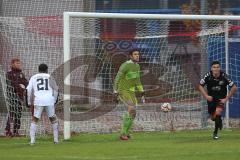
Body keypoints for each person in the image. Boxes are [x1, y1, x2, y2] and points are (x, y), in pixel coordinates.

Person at [198, 61, 237, 139]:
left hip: (220, 99)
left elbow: (234, 87)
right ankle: (219, 121)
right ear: (211, 69)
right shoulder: (208, 76)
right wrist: (206, 96)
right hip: (211, 99)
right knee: (213, 117)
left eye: (217, 67)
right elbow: (200, 86)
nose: (216, 69)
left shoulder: (224, 76)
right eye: (214, 67)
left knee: (218, 112)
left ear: (220, 68)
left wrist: (226, 98)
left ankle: (215, 133)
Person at [114, 49, 145, 140]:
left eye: (138, 54)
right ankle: (123, 134)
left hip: (131, 91)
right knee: (131, 107)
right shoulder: (125, 65)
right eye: (135, 54)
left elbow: (137, 80)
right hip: (123, 90)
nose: (137, 56)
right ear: (130, 56)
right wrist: (115, 91)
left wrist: (142, 91)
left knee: (133, 113)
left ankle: (126, 133)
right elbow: (117, 78)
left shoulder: (137, 66)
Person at [27, 64, 59, 145]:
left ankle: (32, 141)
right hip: (49, 100)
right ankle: (56, 140)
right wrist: (54, 100)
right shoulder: (50, 77)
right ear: (47, 69)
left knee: (35, 119)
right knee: (53, 118)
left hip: (38, 100)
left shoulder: (33, 77)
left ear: (38, 69)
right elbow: (56, 90)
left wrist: (28, 102)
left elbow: (28, 90)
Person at [5, 58, 28, 137]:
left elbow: (26, 82)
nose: (18, 64)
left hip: (20, 96)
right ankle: (8, 131)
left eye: (19, 63)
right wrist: (21, 87)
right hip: (12, 96)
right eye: (17, 63)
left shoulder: (21, 73)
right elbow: (12, 84)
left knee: (18, 114)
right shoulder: (9, 74)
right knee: (11, 113)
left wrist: (26, 87)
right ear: (12, 64)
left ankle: (16, 131)